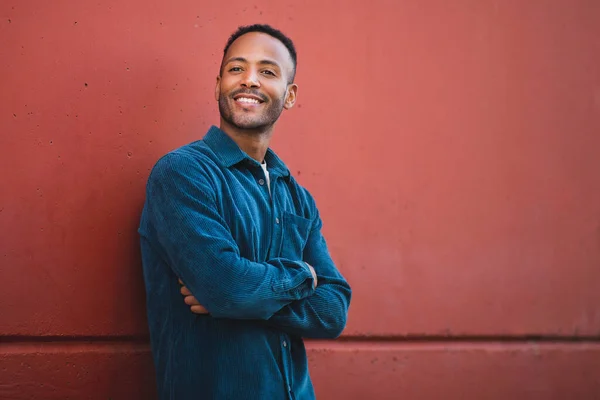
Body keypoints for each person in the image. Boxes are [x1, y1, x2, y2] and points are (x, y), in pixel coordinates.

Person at [138, 24, 352, 400]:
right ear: (218, 83)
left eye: (267, 72)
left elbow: (334, 310)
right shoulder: (182, 173)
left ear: (289, 96)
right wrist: (303, 275)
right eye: (237, 69)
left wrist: (243, 297)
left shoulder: (298, 197)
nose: (249, 80)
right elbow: (226, 289)